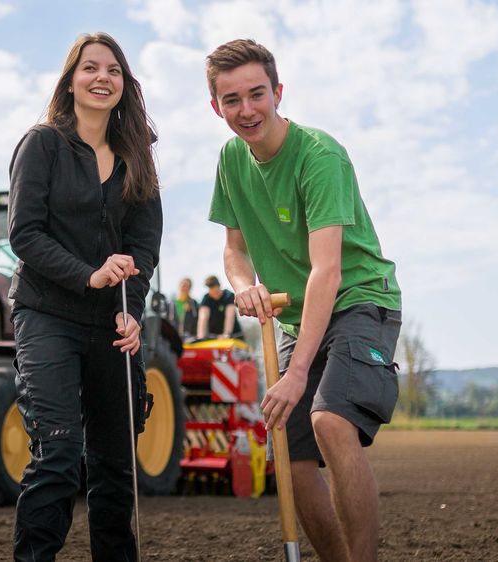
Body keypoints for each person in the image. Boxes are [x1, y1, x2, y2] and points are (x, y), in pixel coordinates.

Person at [204, 39, 402, 562]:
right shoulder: (230, 159)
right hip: (296, 317)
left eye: (256, 94)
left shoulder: (320, 156)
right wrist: (244, 283)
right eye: (231, 100)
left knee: (329, 421)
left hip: (359, 299)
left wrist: (295, 375)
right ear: (215, 106)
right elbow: (234, 249)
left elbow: (327, 271)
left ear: (277, 92)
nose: (246, 110)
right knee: (289, 452)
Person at [7, 32, 162, 562]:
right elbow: (24, 235)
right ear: (70, 80)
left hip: (111, 327)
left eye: (113, 70)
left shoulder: (136, 160)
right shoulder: (43, 144)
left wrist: (132, 314)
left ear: (125, 85)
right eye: (90, 67)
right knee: (58, 452)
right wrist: (89, 275)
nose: (102, 77)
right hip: (46, 314)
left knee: (115, 464)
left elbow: (143, 248)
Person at [196, 275, 241, 339]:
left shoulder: (228, 295)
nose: (213, 291)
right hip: (213, 337)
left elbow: (230, 316)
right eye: (210, 289)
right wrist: (201, 336)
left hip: (234, 335)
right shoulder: (206, 299)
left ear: (219, 286)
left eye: (214, 287)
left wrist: (227, 334)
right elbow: (203, 318)